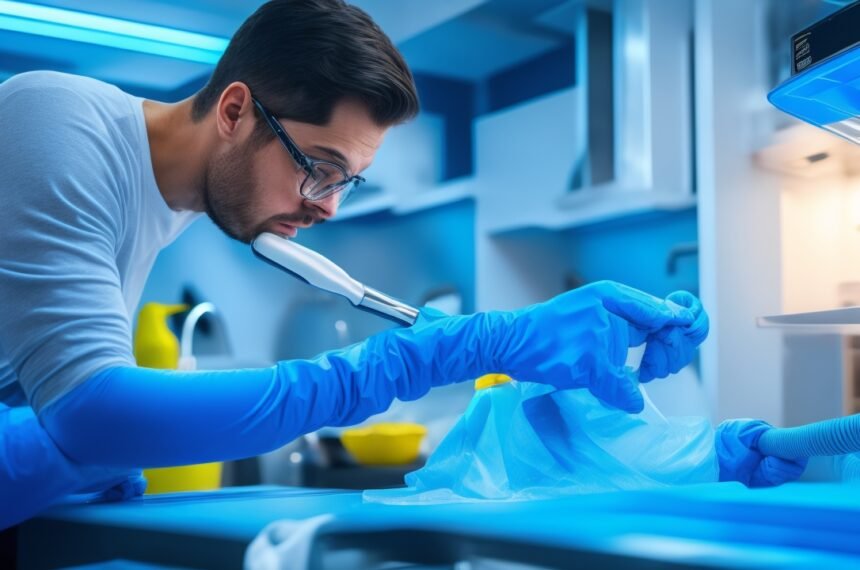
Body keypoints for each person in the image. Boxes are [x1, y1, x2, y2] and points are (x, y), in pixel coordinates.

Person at [0, 0, 709, 528]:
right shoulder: (56, 122)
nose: (327, 208)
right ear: (235, 111)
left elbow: (63, 419)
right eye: (319, 169)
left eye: (345, 182)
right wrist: (391, 369)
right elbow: (92, 416)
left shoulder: (171, 202)